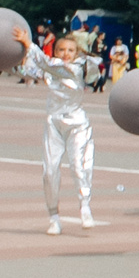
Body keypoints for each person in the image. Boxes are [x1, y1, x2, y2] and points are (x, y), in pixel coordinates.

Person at [16, 25, 98, 233]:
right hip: (54, 123)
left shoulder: (75, 68)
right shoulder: (52, 72)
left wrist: (29, 44)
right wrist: (14, 55)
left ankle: (85, 207)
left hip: (77, 123)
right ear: (55, 51)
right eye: (61, 50)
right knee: (49, 171)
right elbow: (28, 70)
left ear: (76, 53)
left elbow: (46, 64)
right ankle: (54, 216)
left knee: (79, 166)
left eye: (70, 50)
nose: (66, 54)